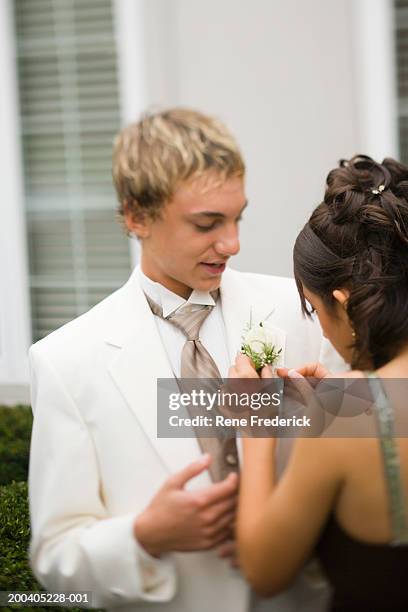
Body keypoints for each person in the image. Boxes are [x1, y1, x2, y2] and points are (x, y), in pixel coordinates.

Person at [28, 108, 341, 612]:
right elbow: (54, 560)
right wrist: (144, 535)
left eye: (238, 217)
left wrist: (329, 417)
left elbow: (367, 474)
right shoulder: (65, 362)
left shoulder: (299, 311)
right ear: (137, 215)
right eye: (206, 223)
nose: (232, 243)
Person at [234, 154, 408, 611]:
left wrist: (255, 427)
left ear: (345, 305)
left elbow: (263, 569)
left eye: (313, 310)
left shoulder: (341, 415)